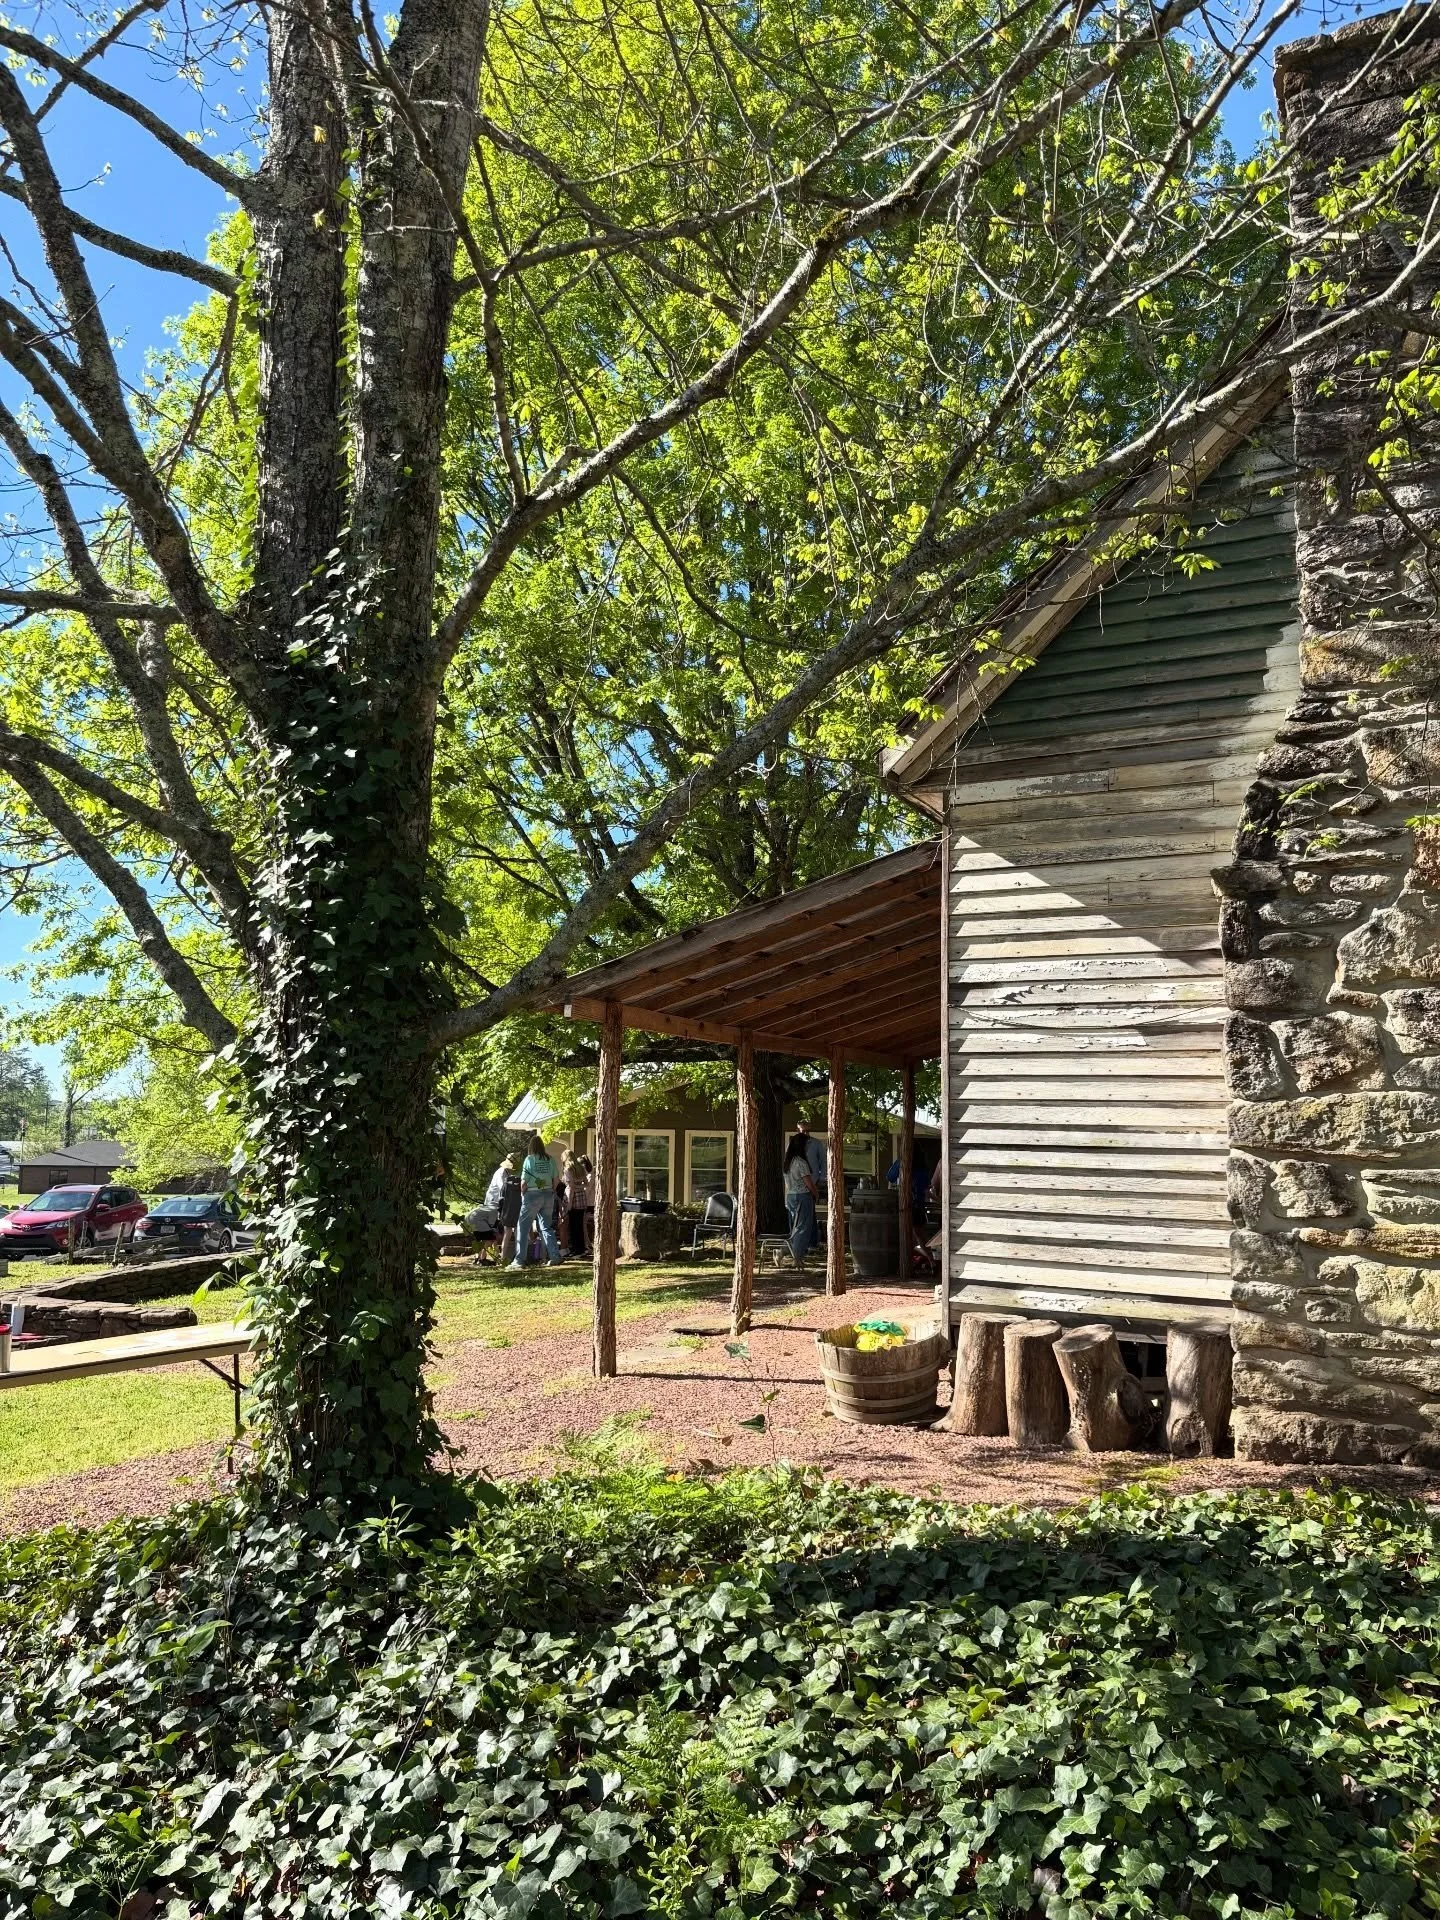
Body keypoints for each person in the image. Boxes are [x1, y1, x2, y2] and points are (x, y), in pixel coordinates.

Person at [511, 1132, 563, 1268]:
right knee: (546, 1227)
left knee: (523, 1227)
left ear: (531, 1147)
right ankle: (555, 1256)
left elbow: (524, 1182)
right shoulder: (550, 1159)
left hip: (532, 1195)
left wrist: (523, 1194)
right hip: (548, 1194)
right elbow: (556, 1179)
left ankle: (519, 1260)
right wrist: (551, 1190)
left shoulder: (529, 1159)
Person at [783, 1132, 818, 1272]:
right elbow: (808, 1182)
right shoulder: (801, 1162)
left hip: (790, 1195)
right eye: (807, 1145)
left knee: (795, 1228)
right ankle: (796, 1257)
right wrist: (816, 1193)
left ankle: (784, 1251)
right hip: (802, 1196)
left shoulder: (788, 1162)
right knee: (803, 1227)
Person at [486, 1154, 522, 1265]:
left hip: (503, 1203)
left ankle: (498, 1256)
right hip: (494, 1202)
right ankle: (491, 1256)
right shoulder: (501, 1173)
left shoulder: (507, 1173)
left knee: (502, 1230)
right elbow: (505, 1190)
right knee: (494, 1230)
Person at [797, 1119, 826, 1250]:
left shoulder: (816, 1143)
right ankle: (800, 1242)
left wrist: (821, 1178)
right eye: (803, 1130)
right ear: (798, 1129)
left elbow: (823, 1162)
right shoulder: (794, 1143)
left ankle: (812, 1242)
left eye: (808, 1130)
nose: (806, 1132)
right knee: (799, 1215)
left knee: (810, 1214)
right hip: (797, 1184)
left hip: (812, 1182)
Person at [563, 1150, 591, 1257]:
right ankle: (582, 1248)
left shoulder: (568, 1169)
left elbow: (571, 1188)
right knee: (579, 1224)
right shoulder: (581, 1168)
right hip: (582, 1197)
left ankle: (576, 1250)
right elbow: (586, 1184)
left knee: (573, 1226)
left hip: (573, 1198)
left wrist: (569, 1204)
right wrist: (579, 1186)